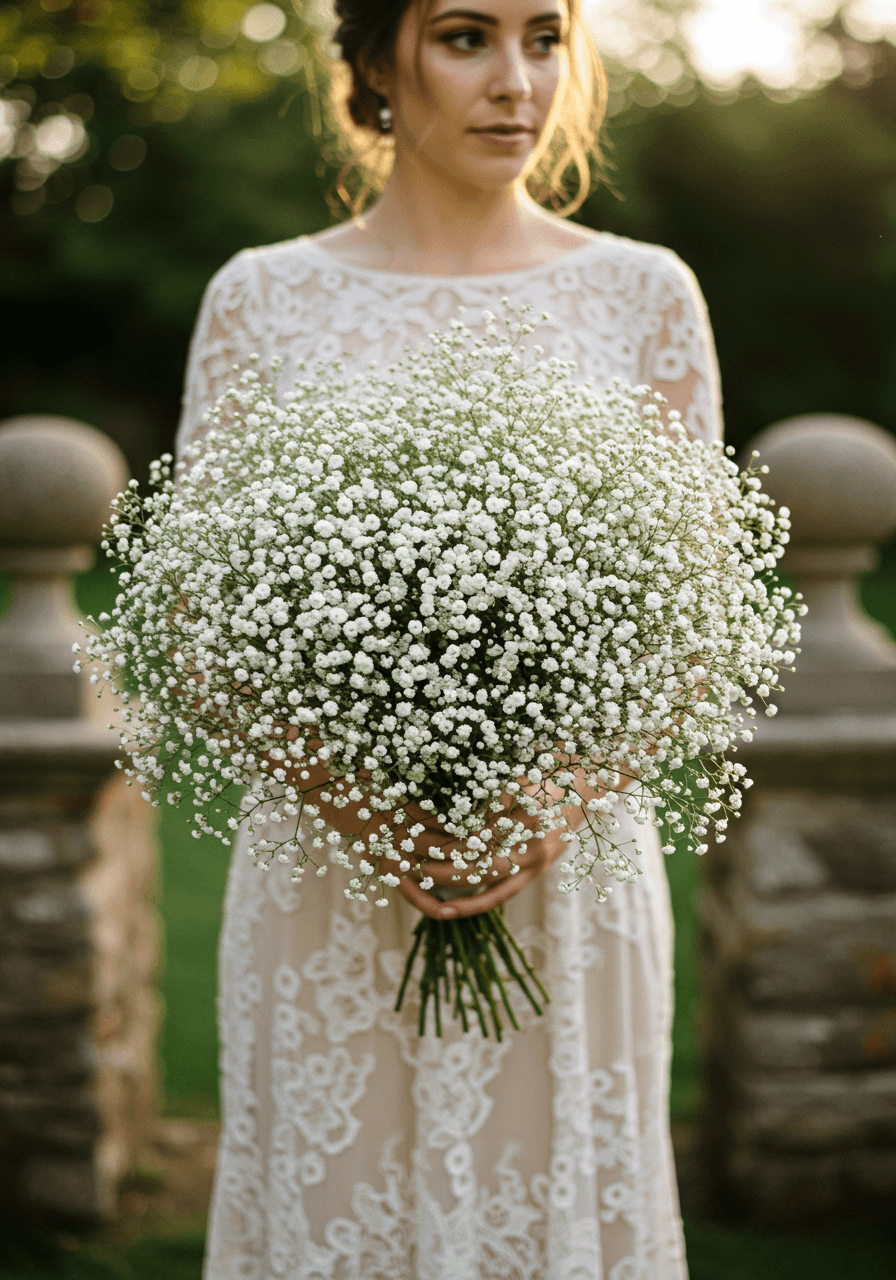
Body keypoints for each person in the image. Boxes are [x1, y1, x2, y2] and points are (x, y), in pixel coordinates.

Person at [176, 1, 722, 1275]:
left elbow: (693, 634)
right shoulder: (262, 298)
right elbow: (203, 631)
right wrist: (366, 804)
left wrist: (546, 799)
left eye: (544, 37)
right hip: (329, 879)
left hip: (566, 877)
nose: (515, 81)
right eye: (465, 36)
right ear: (375, 60)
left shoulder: (643, 293)